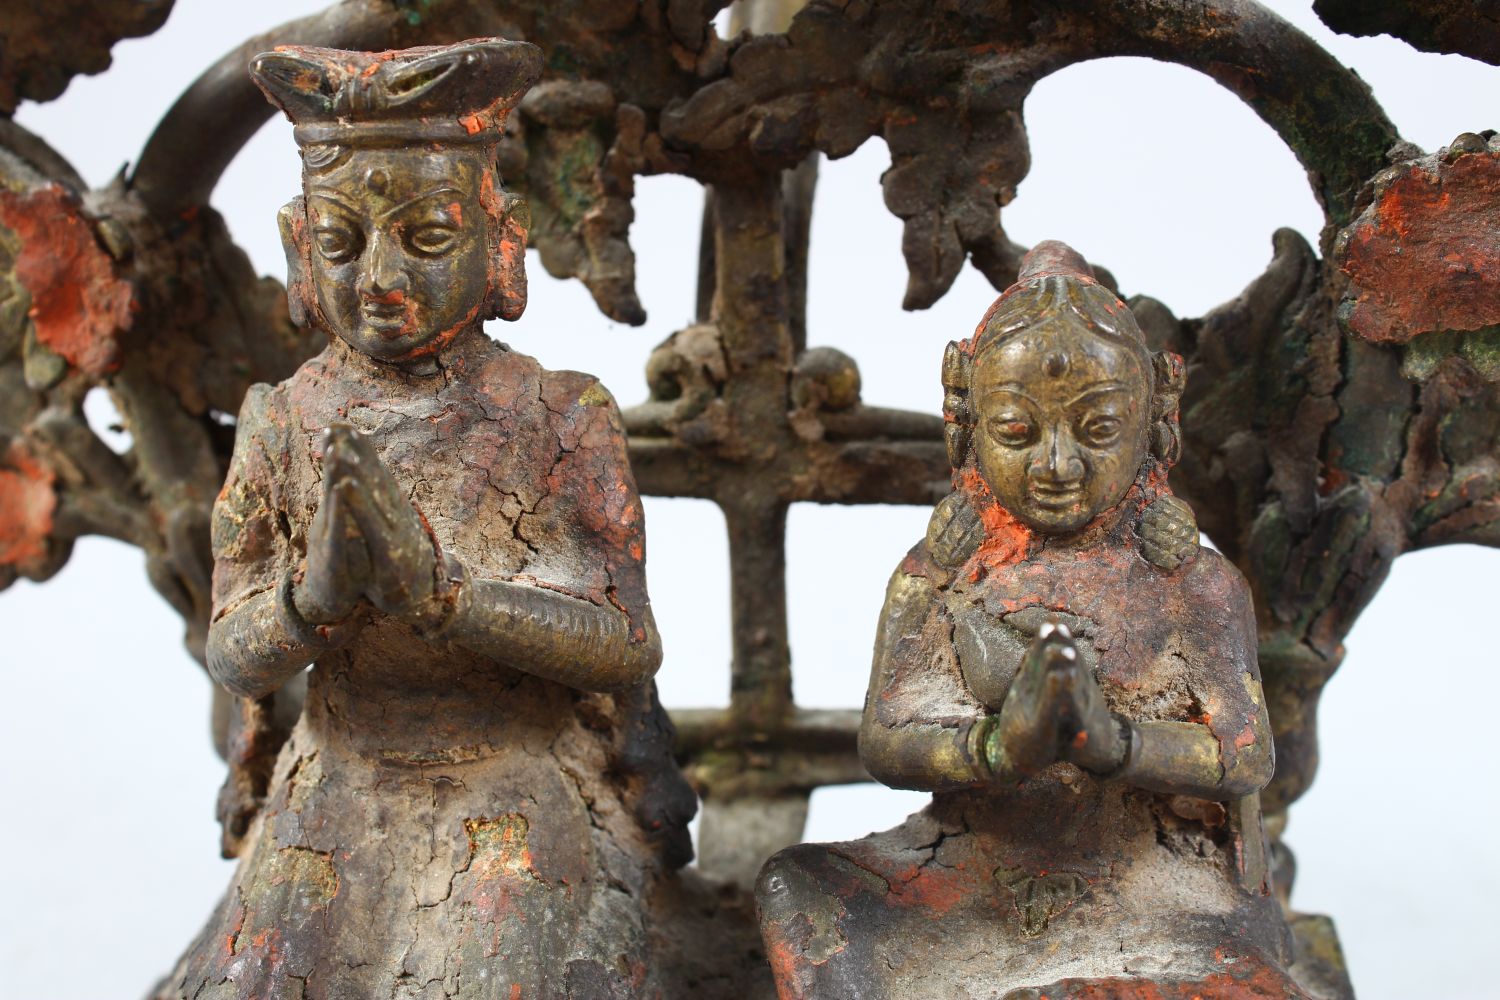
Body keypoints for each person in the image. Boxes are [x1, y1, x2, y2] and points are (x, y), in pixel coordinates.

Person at [155, 39, 694, 999]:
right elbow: (232, 652)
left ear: (501, 243)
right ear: (297, 250)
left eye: (428, 239)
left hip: (515, 776)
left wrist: (448, 602)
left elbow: (624, 645)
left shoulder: (559, 416)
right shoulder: (280, 423)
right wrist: (312, 603)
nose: (383, 283)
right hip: (339, 774)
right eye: (341, 243)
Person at [756, 242, 1311, 999]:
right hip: (973, 867)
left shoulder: (1191, 583)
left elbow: (1243, 755)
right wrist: (999, 745)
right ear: (969, 429)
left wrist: (1110, 742)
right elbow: (886, 742)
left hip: (1145, 880)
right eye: (1018, 432)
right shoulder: (937, 575)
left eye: (1099, 431)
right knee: (799, 888)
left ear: (1153, 427)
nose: (1056, 464)